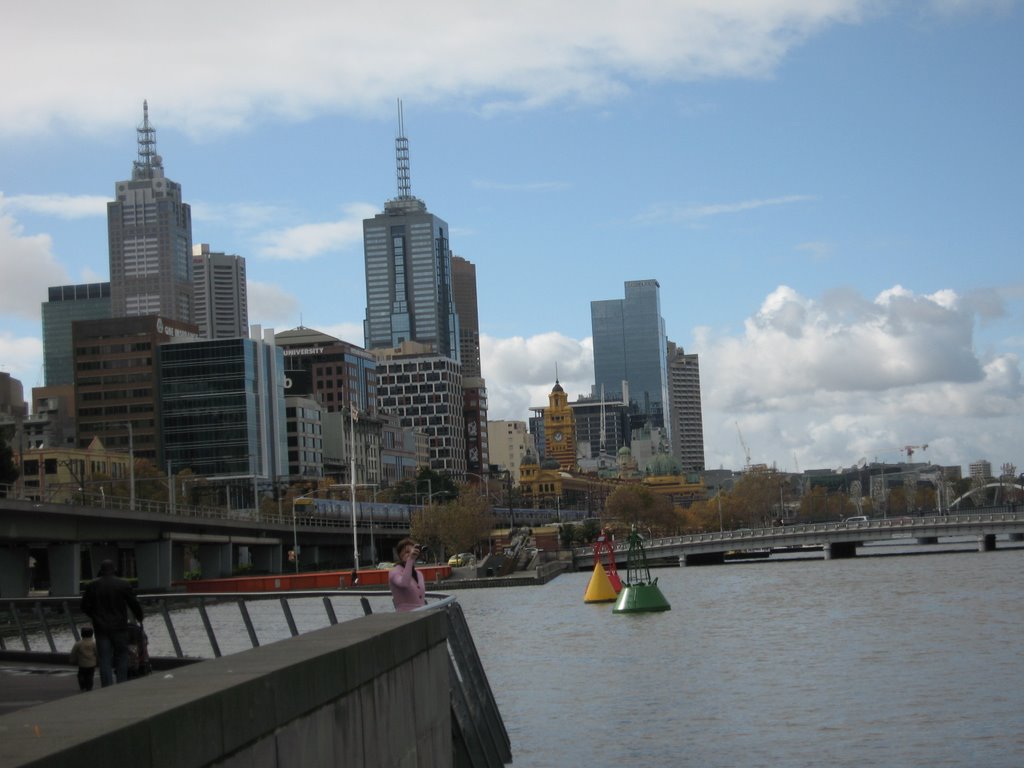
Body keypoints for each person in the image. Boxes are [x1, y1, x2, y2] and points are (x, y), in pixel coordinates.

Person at [80, 559, 144, 687]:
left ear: (101, 571)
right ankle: (121, 683)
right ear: (114, 570)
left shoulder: (92, 585)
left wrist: (94, 616)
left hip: (101, 627)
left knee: (104, 658)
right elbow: (133, 603)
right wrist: (139, 616)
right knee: (122, 655)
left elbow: (84, 606)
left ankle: (107, 686)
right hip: (120, 626)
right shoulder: (123, 584)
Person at [388, 538, 425, 612]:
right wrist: (410, 560)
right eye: (407, 552)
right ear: (400, 555)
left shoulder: (419, 574)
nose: (410, 554)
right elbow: (404, 583)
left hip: (421, 614)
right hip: (405, 616)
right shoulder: (394, 572)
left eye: (412, 552)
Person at [69, 627, 97, 692]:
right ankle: (89, 687)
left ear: (81, 634)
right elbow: (97, 652)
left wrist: (72, 660)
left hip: (82, 664)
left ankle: (82, 684)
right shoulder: (93, 643)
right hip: (91, 664)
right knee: (90, 676)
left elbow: (73, 653)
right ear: (92, 634)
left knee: (81, 674)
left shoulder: (78, 644)